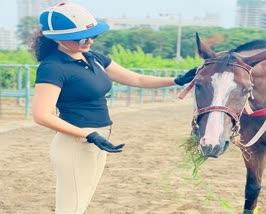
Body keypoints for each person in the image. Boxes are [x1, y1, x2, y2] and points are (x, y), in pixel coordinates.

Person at [30, 2, 197, 214]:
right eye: (81, 37)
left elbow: (136, 79)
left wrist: (176, 80)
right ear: (57, 39)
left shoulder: (93, 57)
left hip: (98, 139)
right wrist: (87, 134)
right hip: (75, 142)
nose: (89, 40)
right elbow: (41, 115)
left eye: (93, 35)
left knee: (81, 204)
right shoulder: (53, 67)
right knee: (70, 208)